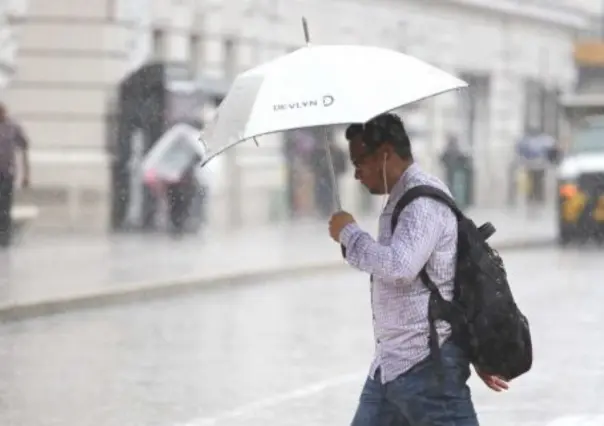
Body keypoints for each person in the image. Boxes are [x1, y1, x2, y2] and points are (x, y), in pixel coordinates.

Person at [327, 113, 508, 426]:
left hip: (427, 369)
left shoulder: (421, 203)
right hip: (391, 368)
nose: (356, 174)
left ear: (385, 154)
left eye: (360, 162)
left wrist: (350, 234)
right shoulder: (401, 199)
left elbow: (399, 267)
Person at [0, 103, 30, 248]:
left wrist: (26, 174)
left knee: (5, 206)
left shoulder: (12, 127)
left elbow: (24, 147)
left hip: (6, 174)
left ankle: (5, 237)